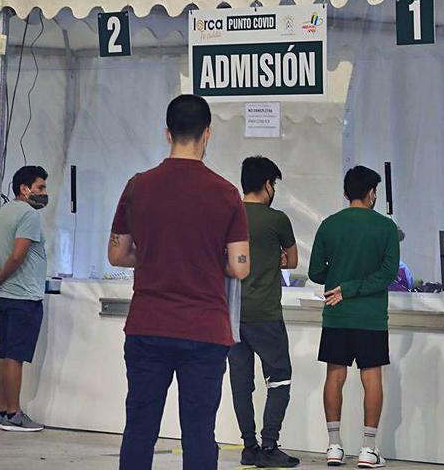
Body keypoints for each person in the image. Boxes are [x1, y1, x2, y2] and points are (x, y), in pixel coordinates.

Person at [108, 94, 250, 470]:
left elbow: (118, 255)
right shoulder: (226, 193)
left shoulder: (138, 186)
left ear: (167, 133)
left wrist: (152, 255)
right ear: (207, 135)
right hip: (204, 328)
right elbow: (240, 265)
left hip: (147, 324)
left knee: (139, 426)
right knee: (199, 430)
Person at [308, 166, 400, 468]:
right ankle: (368, 449)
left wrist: (340, 283)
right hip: (371, 317)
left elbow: (315, 272)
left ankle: (334, 446)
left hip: (337, 315)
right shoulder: (386, 228)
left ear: (346, 193)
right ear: (372, 193)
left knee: (334, 376)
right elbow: (387, 275)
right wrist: (355, 287)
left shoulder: (329, 225)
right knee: (371, 377)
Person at [228, 156, 299, 468]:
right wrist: (275, 258)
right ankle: (269, 447)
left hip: (231, 314)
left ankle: (248, 446)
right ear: (268, 185)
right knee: (279, 378)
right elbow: (293, 260)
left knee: (241, 382)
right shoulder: (277, 219)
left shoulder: (228, 216)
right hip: (266, 314)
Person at [0, 165, 49, 432]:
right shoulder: (29, 214)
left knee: (4, 352)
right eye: (40, 187)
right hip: (23, 295)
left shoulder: (0, 215)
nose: (44, 193)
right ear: (24, 189)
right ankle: (14, 413)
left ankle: (2, 412)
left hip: (3, 296)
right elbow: (18, 255)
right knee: (15, 356)